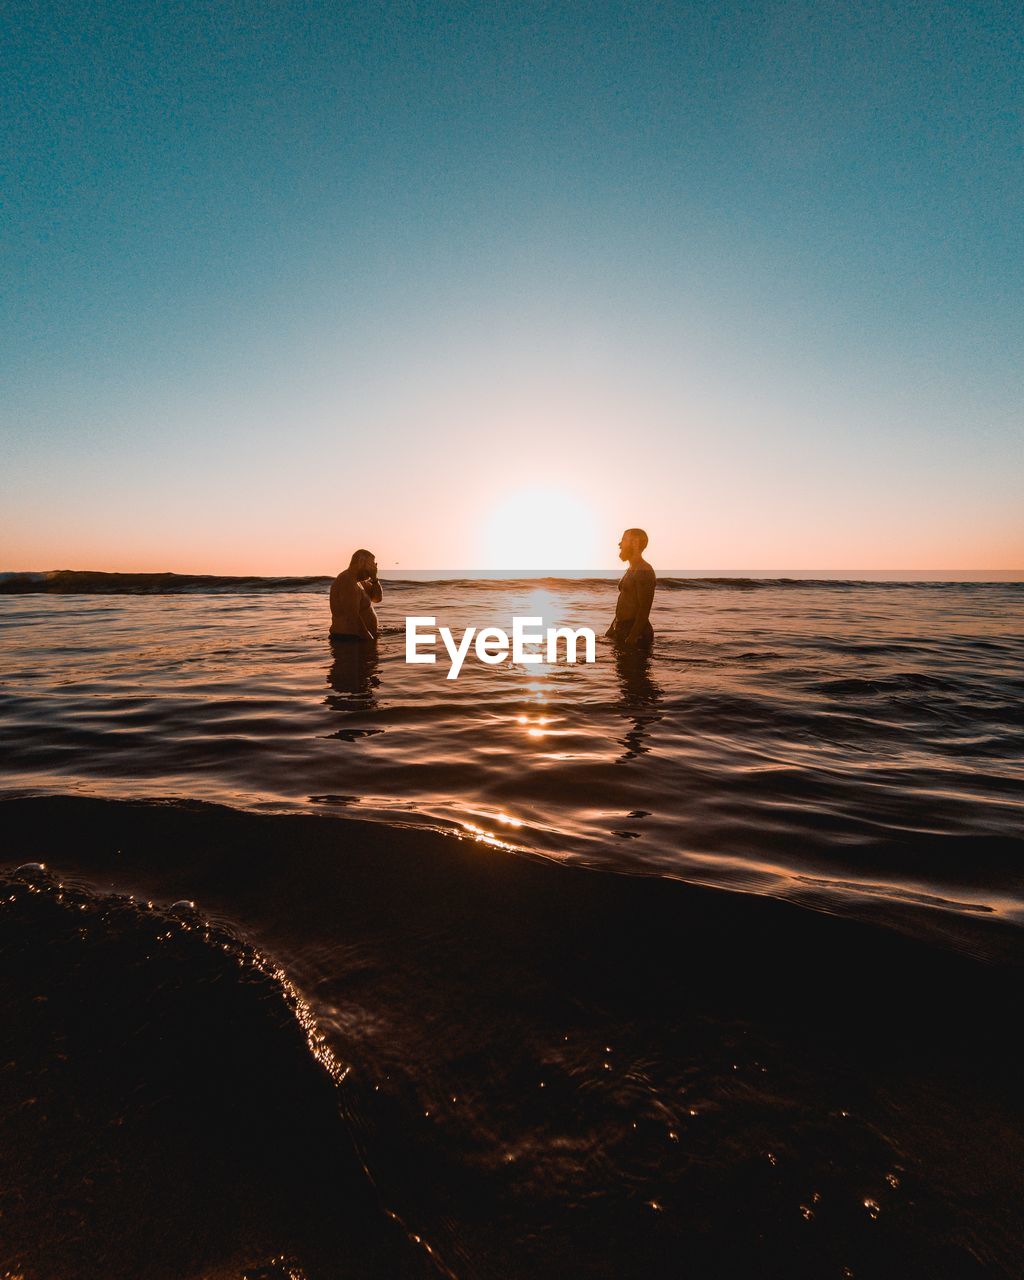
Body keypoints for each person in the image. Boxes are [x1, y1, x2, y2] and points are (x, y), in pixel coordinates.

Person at [606, 528, 656, 647]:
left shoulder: (644, 571)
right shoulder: (630, 570)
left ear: (635, 543)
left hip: (636, 633)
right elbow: (625, 602)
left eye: (623, 540)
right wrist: (611, 629)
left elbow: (644, 609)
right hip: (622, 629)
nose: (619, 544)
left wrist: (632, 638)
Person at [330, 549, 383, 642]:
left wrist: (374, 578)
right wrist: (369, 642)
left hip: (359, 638)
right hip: (348, 640)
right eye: (371, 565)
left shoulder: (361, 582)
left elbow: (377, 599)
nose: (373, 569)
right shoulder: (347, 581)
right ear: (361, 562)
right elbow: (353, 618)